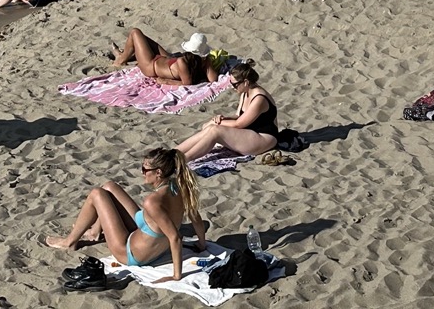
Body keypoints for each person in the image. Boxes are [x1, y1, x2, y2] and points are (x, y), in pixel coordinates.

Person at [46, 147, 206, 281]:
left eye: (145, 169)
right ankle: (94, 232)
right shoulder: (179, 186)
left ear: (158, 173)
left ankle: (69, 242)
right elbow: (196, 219)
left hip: (130, 253)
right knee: (109, 186)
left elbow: (175, 237)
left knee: (96, 194)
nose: (142, 173)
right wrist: (202, 245)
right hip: (149, 240)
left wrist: (176, 276)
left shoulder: (153, 201)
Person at [175, 60, 280, 161]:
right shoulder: (245, 92)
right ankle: (174, 153)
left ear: (246, 82)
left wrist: (219, 123)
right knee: (208, 127)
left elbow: (239, 124)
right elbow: (238, 115)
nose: (233, 87)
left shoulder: (259, 99)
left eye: (235, 84)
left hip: (264, 137)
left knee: (215, 130)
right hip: (250, 131)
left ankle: (184, 159)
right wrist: (222, 119)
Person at [111, 29, 223, 86]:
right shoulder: (202, 62)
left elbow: (187, 83)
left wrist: (165, 82)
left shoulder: (182, 61)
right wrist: (207, 60)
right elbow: (213, 78)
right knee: (143, 40)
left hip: (151, 66)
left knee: (135, 32)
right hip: (166, 59)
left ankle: (120, 60)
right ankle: (124, 55)